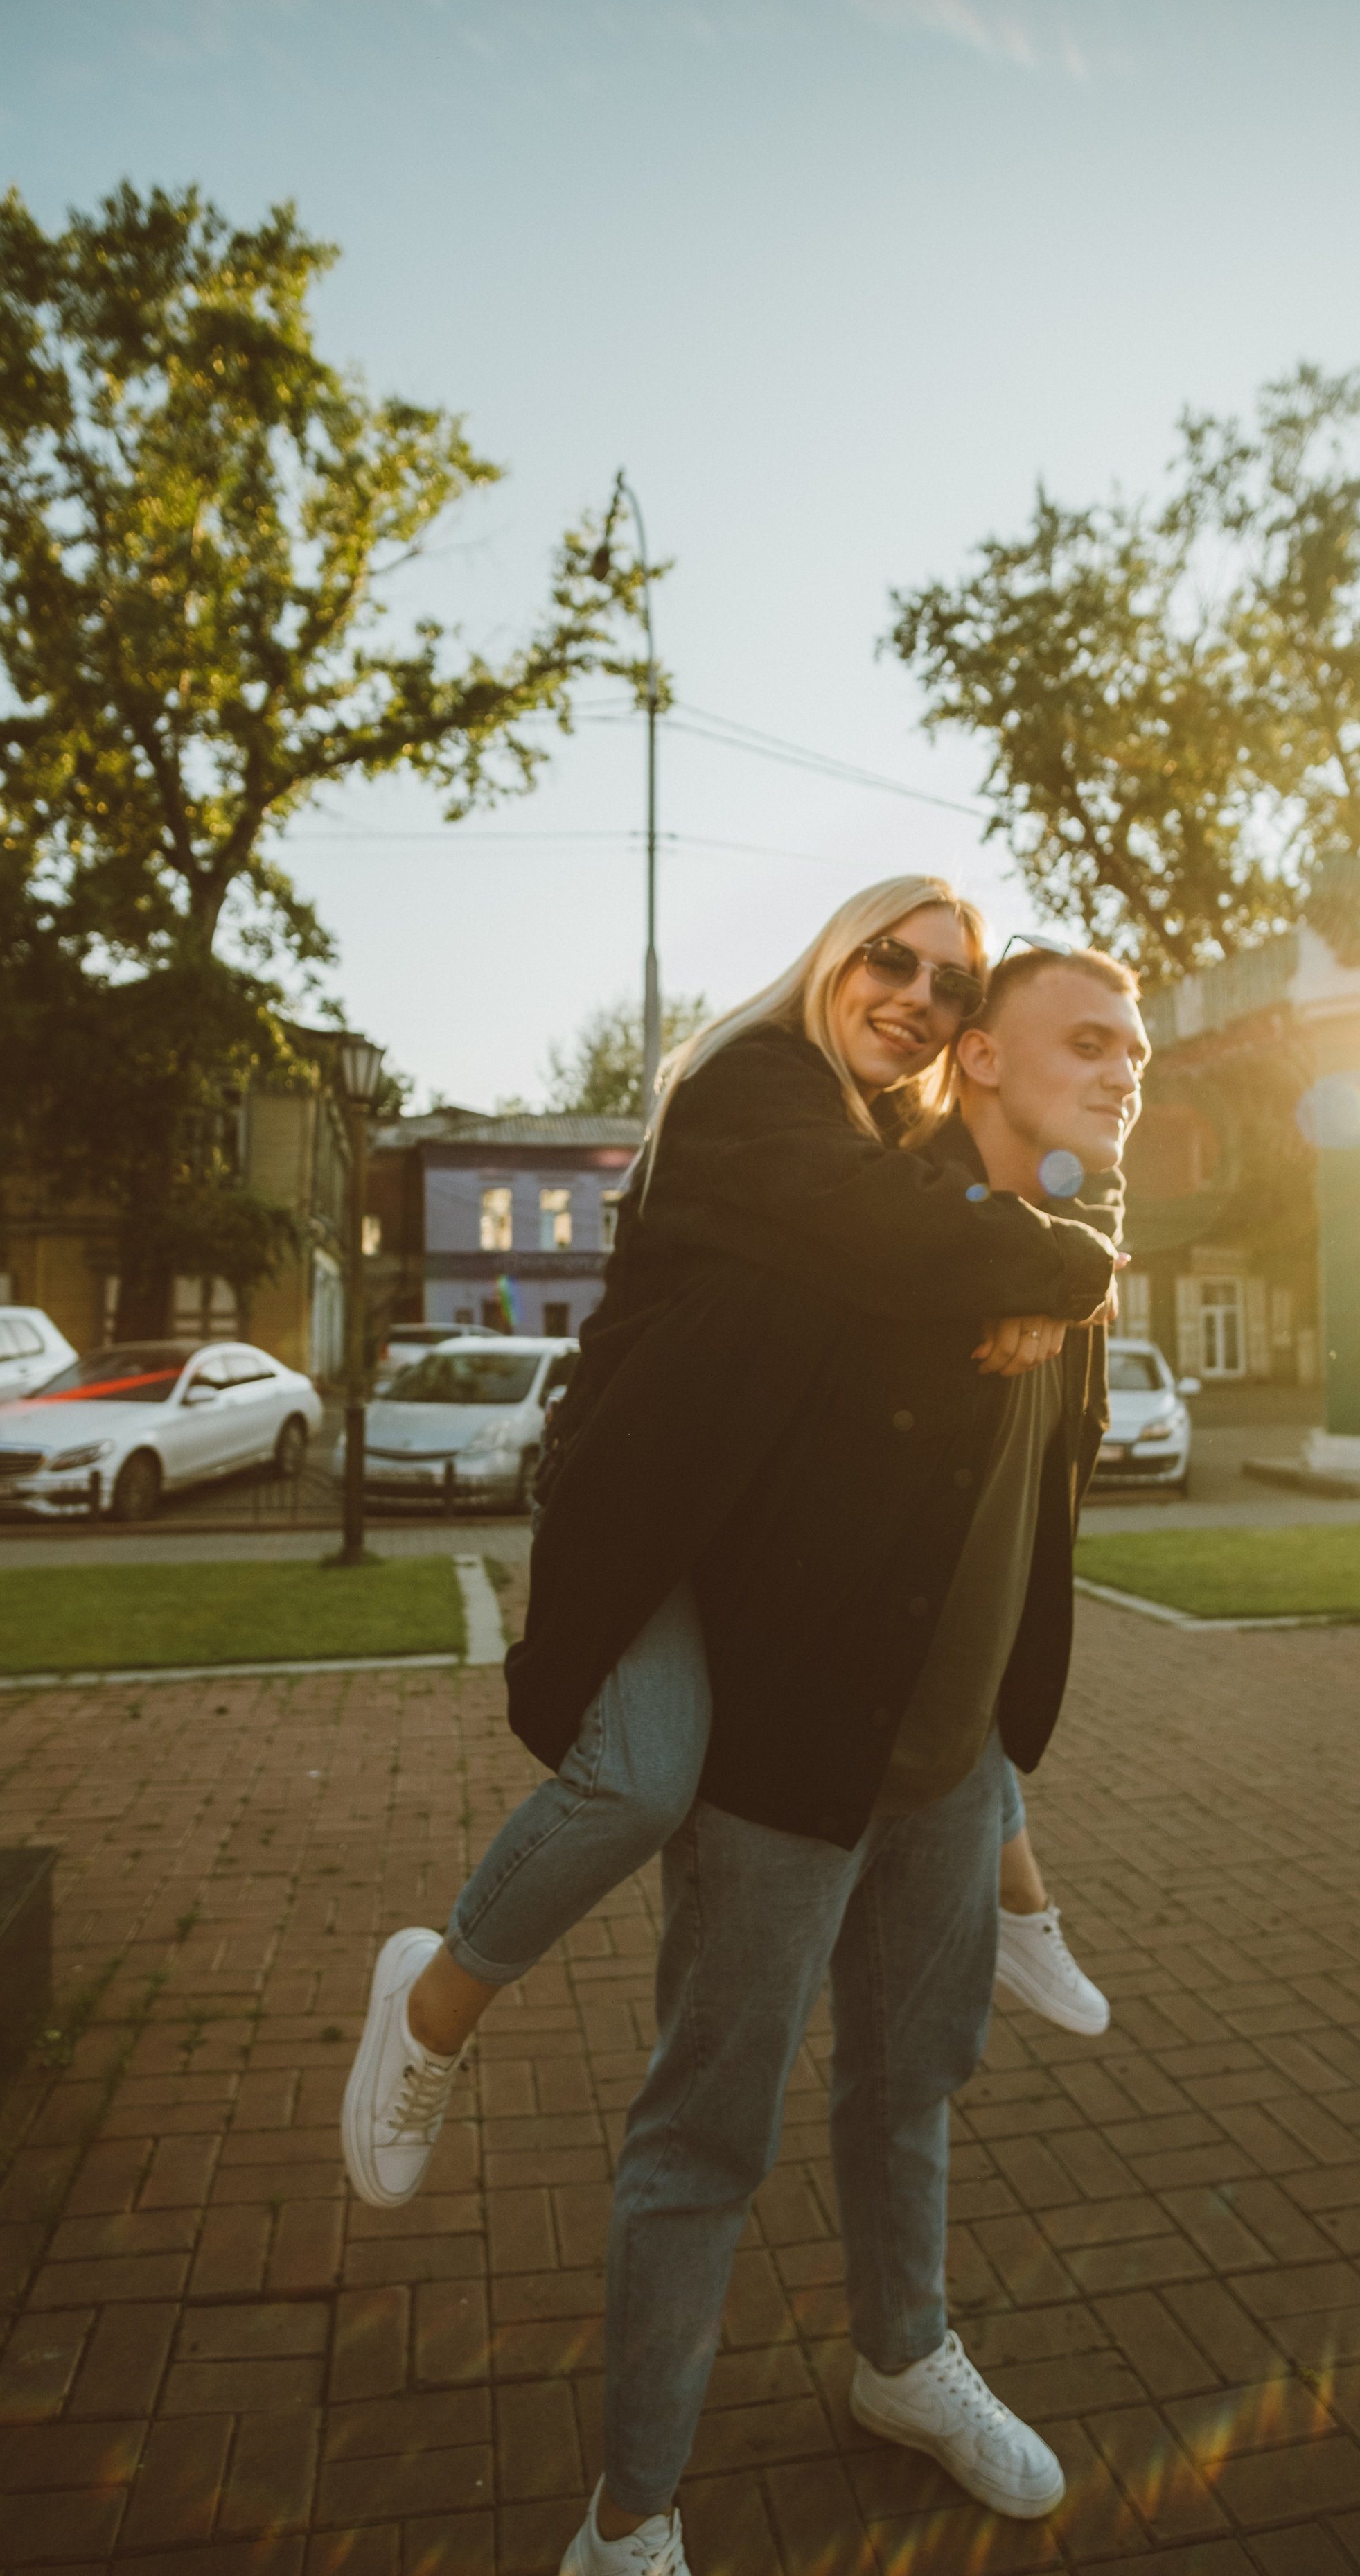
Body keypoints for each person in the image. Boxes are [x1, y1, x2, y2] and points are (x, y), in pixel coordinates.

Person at [340, 881, 1118, 2229]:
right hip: (645, 1502)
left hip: (736, 1515)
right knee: (640, 1779)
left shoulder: (867, 1124)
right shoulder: (751, 1083)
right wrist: (1066, 1263)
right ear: (831, 955)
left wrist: (1026, 1275)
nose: (918, 1000)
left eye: (949, 988)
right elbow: (902, 1231)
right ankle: (431, 1999)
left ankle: (1015, 1884)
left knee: (933, 1617)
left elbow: (953, 1218)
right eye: (893, 961)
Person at [547, 937, 1149, 2573]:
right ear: (978, 1067)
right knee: (703, 2142)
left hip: (948, 1778)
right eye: (1083, 1042)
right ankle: (628, 2517)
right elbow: (681, 1445)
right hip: (784, 1776)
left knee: (910, 2089)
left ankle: (901, 2362)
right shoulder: (870, 1247)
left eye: (1133, 1051)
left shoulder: (1061, 1253)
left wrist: (1060, 1260)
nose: (1118, 1070)